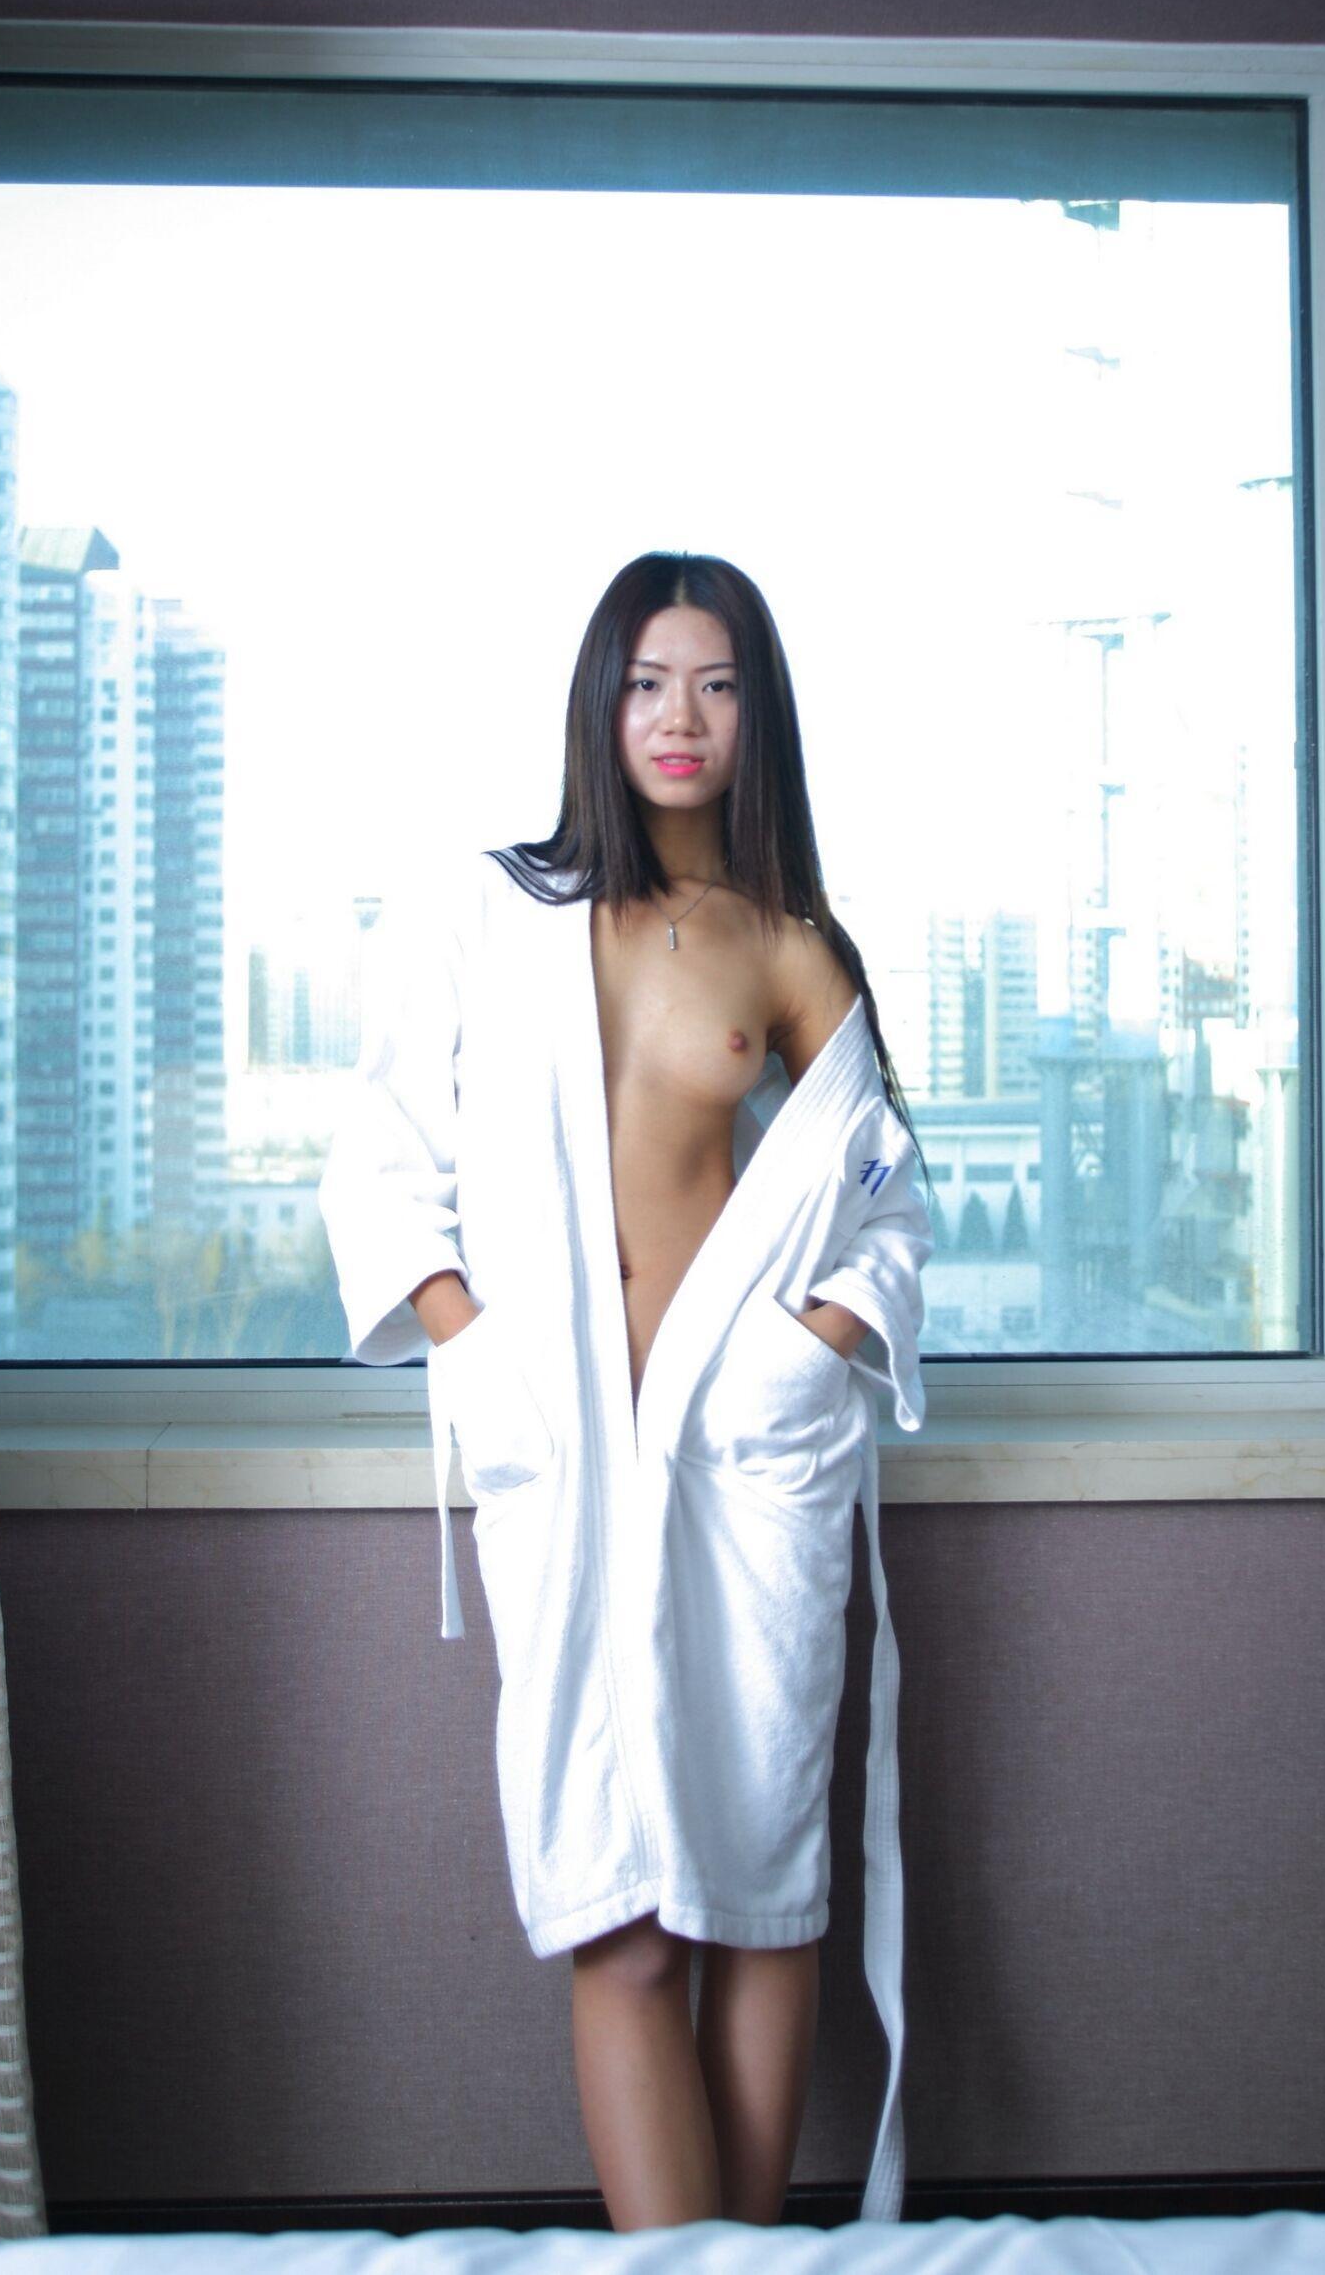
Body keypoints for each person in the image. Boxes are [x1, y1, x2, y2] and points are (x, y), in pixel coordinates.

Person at [318, 550, 934, 2229]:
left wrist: (813, 1352)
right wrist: (473, 1346)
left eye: (717, 685)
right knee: (624, 1914)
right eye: (651, 681)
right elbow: (382, 1158)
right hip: (566, 1448)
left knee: (761, 1894)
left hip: (750, 1464)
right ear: (602, 699)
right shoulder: (484, 914)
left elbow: (890, 1201)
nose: (681, 717)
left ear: (757, 714)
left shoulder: (790, 945)